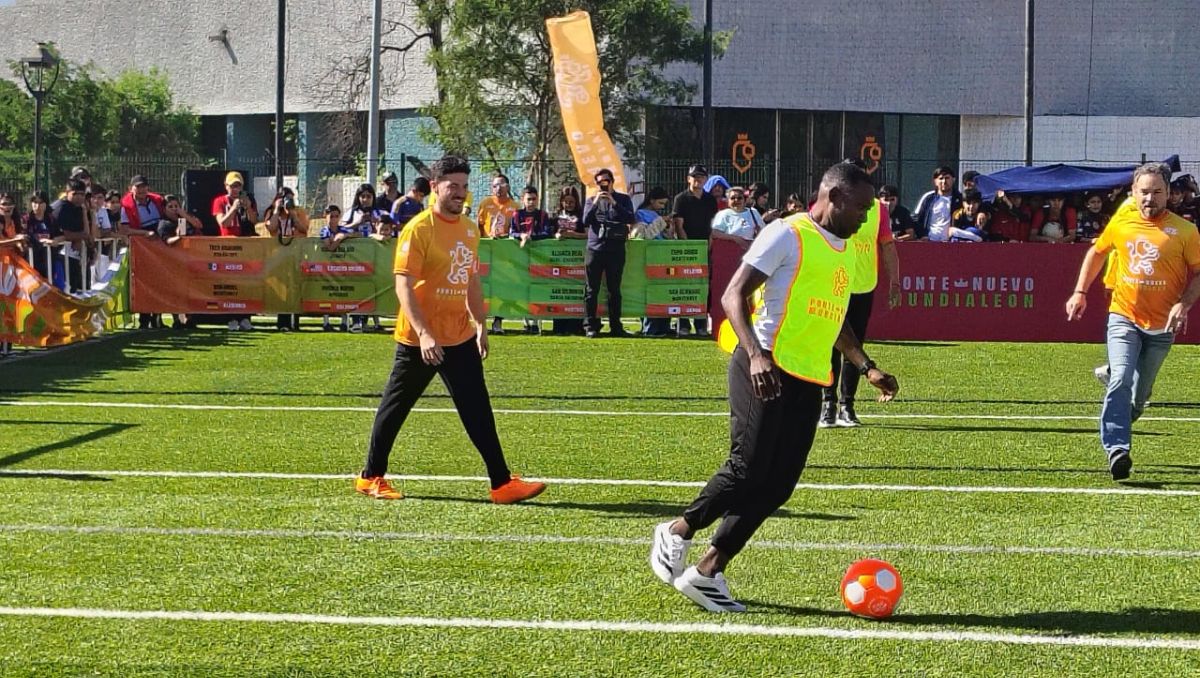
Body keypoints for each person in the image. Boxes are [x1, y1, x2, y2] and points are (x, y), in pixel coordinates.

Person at [651, 161, 899, 613]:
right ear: (834, 197)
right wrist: (756, 355)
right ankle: (677, 530)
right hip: (763, 365)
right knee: (747, 468)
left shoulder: (845, 249)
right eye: (862, 207)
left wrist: (867, 367)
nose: (867, 217)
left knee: (780, 483)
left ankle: (707, 571)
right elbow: (733, 295)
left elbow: (834, 319)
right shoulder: (787, 233)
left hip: (808, 377)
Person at [357, 154, 546, 504]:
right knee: (396, 407)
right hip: (420, 339)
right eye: (453, 186)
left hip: (459, 335)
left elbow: (471, 280)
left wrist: (480, 324)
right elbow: (403, 285)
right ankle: (371, 476)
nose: (460, 192)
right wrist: (424, 333)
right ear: (435, 187)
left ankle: (501, 483)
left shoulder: (470, 229)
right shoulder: (419, 228)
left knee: (478, 408)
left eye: (464, 186)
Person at [1065, 162, 1200, 482]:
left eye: (1157, 192)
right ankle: (1117, 449)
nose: (1150, 198)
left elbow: (1198, 272)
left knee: (1139, 399)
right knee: (1121, 379)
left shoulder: (1185, 231)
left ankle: (1120, 415)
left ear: (1168, 193)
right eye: (1144, 192)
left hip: (1162, 328)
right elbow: (1097, 252)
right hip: (1124, 316)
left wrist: (1184, 304)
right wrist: (1080, 291)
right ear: (1133, 193)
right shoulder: (1122, 222)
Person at [819, 195, 901, 428]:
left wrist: (895, 282)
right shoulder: (829, 201)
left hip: (863, 286)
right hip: (833, 285)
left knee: (854, 346)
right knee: (830, 346)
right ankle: (828, 403)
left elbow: (887, 245)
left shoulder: (879, 209)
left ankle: (847, 405)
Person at [582, 168, 636, 338]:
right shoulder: (591, 200)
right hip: (595, 249)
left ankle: (616, 326)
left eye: (605, 181)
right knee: (591, 290)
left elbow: (630, 218)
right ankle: (590, 326)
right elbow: (585, 221)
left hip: (615, 249)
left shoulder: (623, 199)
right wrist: (596, 203)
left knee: (614, 290)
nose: (602, 185)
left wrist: (614, 203)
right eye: (599, 183)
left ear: (612, 182)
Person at [671, 165, 719, 336]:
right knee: (684, 286)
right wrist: (688, 247)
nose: (698, 179)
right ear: (688, 179)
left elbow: (713, 225)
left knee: (703, 286)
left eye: (701, 176)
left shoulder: (710, 199)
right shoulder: (681, 198)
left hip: (705, 247)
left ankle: (701, 324)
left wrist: (709, 244)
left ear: (706, 179)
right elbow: (679, 225)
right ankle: (683, 324)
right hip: (687, 249)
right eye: (695, 176)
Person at [212, 172, 259, 330]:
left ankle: (245, 317)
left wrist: (248, 207)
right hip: (228, 247)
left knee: (246, 283)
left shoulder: (248, 200)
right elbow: (223, 223)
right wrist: (233, 208)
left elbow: (254, 221)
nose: (235, 189)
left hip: (245, 246)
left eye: (238, 186)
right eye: (232, 186)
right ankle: (231, 318)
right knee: (230, 284)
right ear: (226, 186)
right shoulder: (220, 201)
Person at [633, 187, 673, 338]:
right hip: (647, 256)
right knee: (650, 293)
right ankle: (650, 327)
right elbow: (643, 235)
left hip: (661, 255)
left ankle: (664, 325)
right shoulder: (640, 215)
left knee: (662, 292)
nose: (662, 207)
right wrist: (661, 221)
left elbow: (663, 235)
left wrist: (668, 228)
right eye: (660, 203)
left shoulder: (656, 215)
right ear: (651, 200)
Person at [49, 179, 93, 293]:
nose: (79, 197)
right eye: (75, 194)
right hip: (57, 255)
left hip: (74, 255)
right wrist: (79, 237)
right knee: (64, 290)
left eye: (82, 194)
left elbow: (86, 233)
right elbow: (66, 234)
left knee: (79, 289)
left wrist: (85, 212)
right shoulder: (62, 207)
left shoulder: (78, 208)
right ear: (67, 193)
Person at [912, 166, 962, 241]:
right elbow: (915, 218)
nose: (944, 181)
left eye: (947, 178)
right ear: (935, 181)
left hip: (952, 242)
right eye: (941, 178)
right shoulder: (928, 198)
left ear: (953, 179)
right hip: (929, 241)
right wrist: (922, 235)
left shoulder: (960, 199)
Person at [476, 172, 516, 239]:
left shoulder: (515, 206)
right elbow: (479, 225)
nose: (498, 188)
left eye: (501, 185)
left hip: (506, 243)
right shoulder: (485, 203)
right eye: (495, 186)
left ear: (508, 187)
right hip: (488, 243)